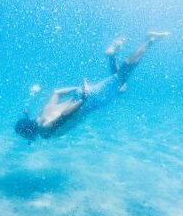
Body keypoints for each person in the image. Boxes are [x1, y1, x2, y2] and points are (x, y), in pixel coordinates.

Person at [15, 31, 170, 140]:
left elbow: (64, 116)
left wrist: (83, 98)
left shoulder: (44, 130)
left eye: (24, 135)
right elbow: (56, 92)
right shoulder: (43, 112)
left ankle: (149, 40)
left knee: (122, 75)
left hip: (89, 101)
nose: (26, 137)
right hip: (82, 96)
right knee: (120, 87)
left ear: (28, 131)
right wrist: (78, 90)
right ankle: (111, 56)